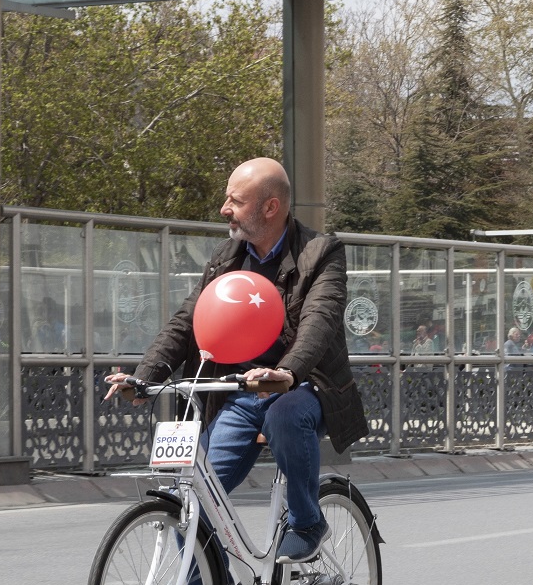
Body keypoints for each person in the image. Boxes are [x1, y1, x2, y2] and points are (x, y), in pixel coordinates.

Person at [105, 157, 367, 564]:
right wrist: (144, 376)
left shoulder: (321, 252)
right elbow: (189, 322)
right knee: (190, 508)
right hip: (242, 393)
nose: (224, 209)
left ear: (270, 208)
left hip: (305, 384)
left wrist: (286, 371)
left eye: (235, 200)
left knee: (285, 415)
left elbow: (321, 321)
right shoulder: (227, 257)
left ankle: (307, 522)